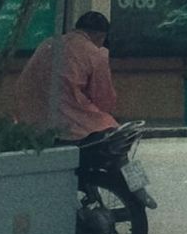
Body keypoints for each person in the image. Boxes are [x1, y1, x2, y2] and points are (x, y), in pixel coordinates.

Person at [13, 10, 118, 142]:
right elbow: (103, 98)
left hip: (29, 116)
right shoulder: (95, 53)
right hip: (67, 119)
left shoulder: (47, 44)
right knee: (111, 128)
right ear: (101, 37)